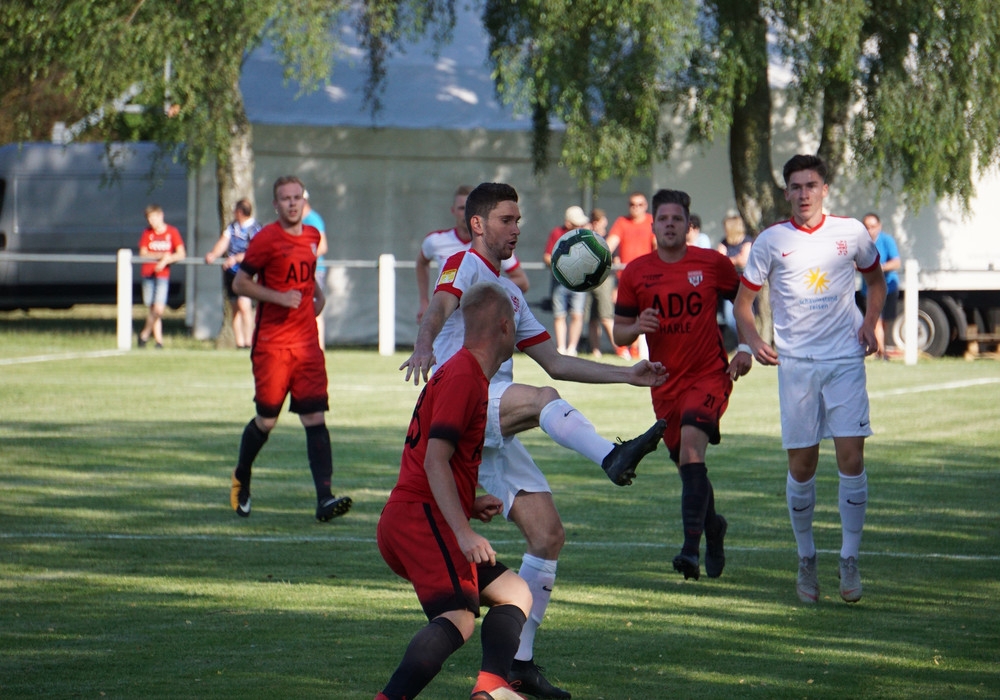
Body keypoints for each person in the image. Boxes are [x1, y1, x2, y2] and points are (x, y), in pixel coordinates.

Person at [401, 182, 667, 699]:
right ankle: (611, 455)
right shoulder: (461, 264)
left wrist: (627, 375)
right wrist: (423, 345)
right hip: (466, 404)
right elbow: (438, 307)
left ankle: (518, 666)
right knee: (542, 397)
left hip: (491, 430)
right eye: (506, 219)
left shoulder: (512, 294)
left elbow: (557, 361)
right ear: (478, 224)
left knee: (548, 537)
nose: (516, 229)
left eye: (518, 220)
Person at [733, 154, 886, 604]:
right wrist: (752, 340)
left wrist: (870, 323)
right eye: (796, 187)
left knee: (851, 459)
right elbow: (742, 304)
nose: (804, 194)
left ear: (825, 190)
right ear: (786, 193)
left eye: (811, 185)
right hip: (796, 365)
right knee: (802, 466)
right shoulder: (770, 241)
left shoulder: (851, 233)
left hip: (844, 360)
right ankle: (806, 558)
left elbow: (876, 283)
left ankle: (850, 558)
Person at [376, 281, 530, 700]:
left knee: (514, 592)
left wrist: (468, 502)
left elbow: (435, 458)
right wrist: (463, 531)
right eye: (515, 323)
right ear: (504, 326)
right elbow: (434, 461)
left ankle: (492, 687)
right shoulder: (464, 376)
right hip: (419, 516)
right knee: (458, 617)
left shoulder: (467, 373)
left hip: (421, 512)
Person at [614, 189, 752, 581]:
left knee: (692, 451)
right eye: (663, 219)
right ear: (653, 225)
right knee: (686, 465)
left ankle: (690, 551)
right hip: (664, 382)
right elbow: (619, 333)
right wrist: (636, 327)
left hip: (709, 375)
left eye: (677, 218)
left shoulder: (712, 264)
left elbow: (744, 302)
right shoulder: (636, 272)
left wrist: (745, 346)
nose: (670, 224)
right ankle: (713, 526)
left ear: (688, 225)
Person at [228, 176, 352, 522]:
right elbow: (240, 282)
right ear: (276, 204)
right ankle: (242, 474)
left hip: (307, 344)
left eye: (297, 197)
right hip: (273, 345)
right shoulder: (266, 239)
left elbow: (307, 275)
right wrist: (278, 297)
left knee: (315, 417)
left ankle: (324, 499)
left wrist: (319, 297)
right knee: (267, 420)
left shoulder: (313, 235)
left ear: (304, 200)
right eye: (286, 199)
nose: (293, 203)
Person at [416, 185, 530, 323]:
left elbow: (522, 281)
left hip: (480, 321)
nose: (465, 213)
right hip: (446, 318)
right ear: (453, 210)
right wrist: (424, 301)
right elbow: (421, 263)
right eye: (461, 208)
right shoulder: (435, 240)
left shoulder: (492, 244)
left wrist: (485, 290)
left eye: (468, 209)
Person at [204, 198, 262, 349]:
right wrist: (213, 254)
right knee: (235, 306)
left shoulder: (255, 228)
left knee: (244, 305)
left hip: (246, 272)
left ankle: (249, 341)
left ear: (240, 212)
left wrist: (236, 258)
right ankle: (239, 343)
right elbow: (223, 242)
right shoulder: (232, 227)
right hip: (231, 272)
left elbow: (256, 252)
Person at [605, 192, 656, 359]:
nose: (636, 208)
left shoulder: (651, 221)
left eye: (640, 204)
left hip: (647, 277)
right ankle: (624, 348)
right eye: (633, 204)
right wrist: (599, 256)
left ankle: (636, 349)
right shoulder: (622, 222)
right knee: (624, 315)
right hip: (625, 277)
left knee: (644, 313)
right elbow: (610, 244)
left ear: (646, 206)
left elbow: (657, 245)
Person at [543, 205, 591, 355]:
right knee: (560, 314)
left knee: (577, 313)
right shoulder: (557, 233)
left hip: (579, 281)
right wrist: (561, 266)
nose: (580, 227)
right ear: (568, 223)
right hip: (560, 282)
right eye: (577, 224)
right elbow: (547, 256)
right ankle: (561, 347)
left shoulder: (585, 235)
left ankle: (572, 348)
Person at [137, 204, 186, 348]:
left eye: (153, 218)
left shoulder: (172, 232)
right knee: (153, 308)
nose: (151, 221)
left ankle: (144, 335)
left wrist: (166, 260)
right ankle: (159, 341)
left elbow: (181, 253)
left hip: (163, 275)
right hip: (148, 274)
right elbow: (143, 253)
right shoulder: (147, 233)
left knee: (158, 309)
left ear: (161, 216)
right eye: (149, 219)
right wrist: (160, 256)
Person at [862, 213, 901, 359]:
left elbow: (896, 262)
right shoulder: (860, 242)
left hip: (889, 287)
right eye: (866, 227)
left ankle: (881, 348)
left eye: (872, 227)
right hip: (869, 288)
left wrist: (880, 268)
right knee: (876, 319)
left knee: (885, 321)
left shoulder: (887, 240)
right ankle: (882, 351)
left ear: (879, 226)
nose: (869, 230)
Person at [584, 207, 621, 358]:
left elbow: (616, 262)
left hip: (605, 280)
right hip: (589, 280)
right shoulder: (588, 238)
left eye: (599, 221)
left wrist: (617, 286)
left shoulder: (610, 239)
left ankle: (620, 349)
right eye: (594, 221)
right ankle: (595, 350)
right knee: (592, 318)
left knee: (606, 316)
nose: (597, 224)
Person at [716, 214, 753, 342]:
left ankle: (747, 344)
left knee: (746, 316)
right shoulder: (723, 242)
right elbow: (720, 262)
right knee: (729, 318)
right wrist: (736, 259)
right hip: (729, 285)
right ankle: (744, 342)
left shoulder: (747, 241)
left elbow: (743, 261)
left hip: (745, 284)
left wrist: (729, 260)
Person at [302, 190, 329, 349]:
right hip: (304, 268)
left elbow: (322, 246)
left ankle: (318, 345)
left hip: (314, 269)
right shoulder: (299, 221)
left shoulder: (313, 219)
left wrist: (305, 258)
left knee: (315, 306)